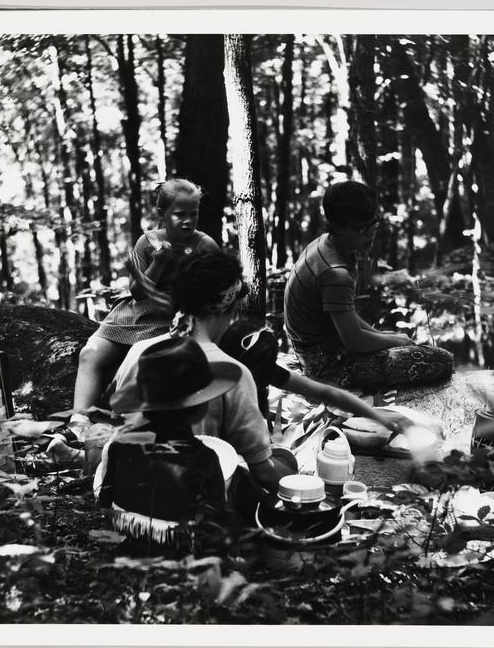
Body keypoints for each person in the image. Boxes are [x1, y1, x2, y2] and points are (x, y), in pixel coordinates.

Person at [46, 178, 218, 447]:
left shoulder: (204, 245)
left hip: (173, 316)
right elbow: (138, 291)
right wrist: (159, 261)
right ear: (162, 215)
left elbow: (214, 291)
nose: (187, 221)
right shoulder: (147, 242)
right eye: (179, 215)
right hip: (138, 312)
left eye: (193, 214)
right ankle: (79, 423)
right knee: (90, 353)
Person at [106, 250, 296, 492]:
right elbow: (263, 472)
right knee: (281, 465)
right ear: (227, 307)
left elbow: (115, 426)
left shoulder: (138, 351)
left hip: (126, 501)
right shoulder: (233, 374)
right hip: (187, 509)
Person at [284, 180, 454, 389]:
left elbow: (343, 314)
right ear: (337, 227)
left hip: (319, 348)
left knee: (399, 341)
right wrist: (396, 341)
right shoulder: (334, 272)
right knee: (441, 360)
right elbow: (354, 341)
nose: (371, 232)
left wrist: (382, 336)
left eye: (374, 223)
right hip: (326, 365)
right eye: (363, 228)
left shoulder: (325, 245)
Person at [94, 337, 237, 553]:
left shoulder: (119, 445)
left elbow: (105, 502)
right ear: (200, 407)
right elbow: (214, 525)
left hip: (126, 551)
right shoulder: (204, 458)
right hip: (178, 562)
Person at [218, 319, 417, 432]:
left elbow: (329, 393)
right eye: (257, 376)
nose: (262, 383)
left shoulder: (262, 370)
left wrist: (377, 415)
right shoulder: (218, 390)